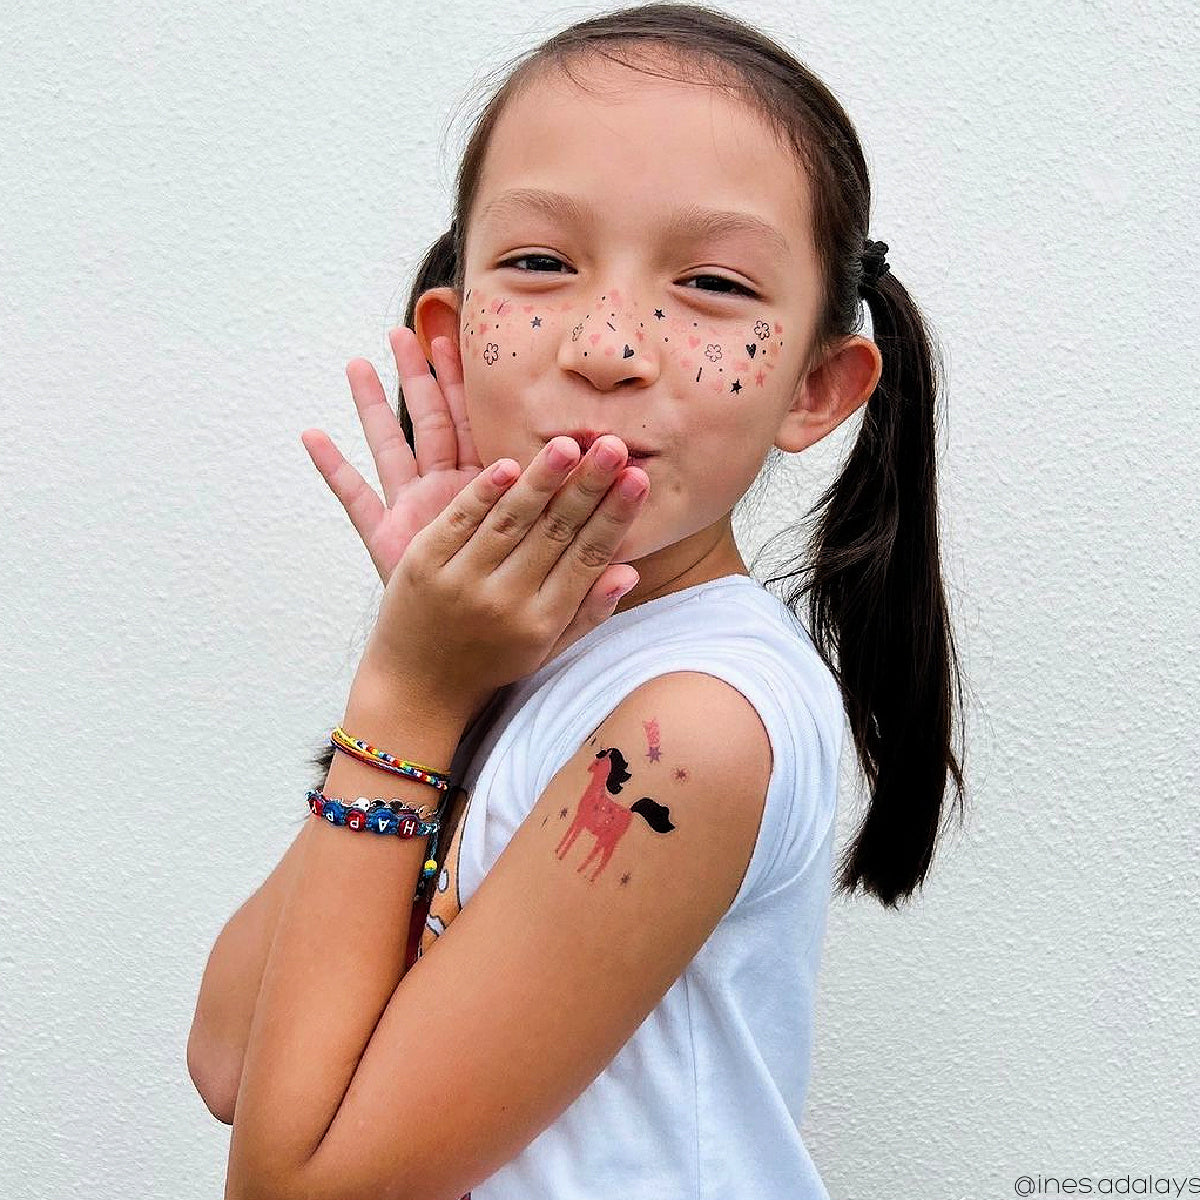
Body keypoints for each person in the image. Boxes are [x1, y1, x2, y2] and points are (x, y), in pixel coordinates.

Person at [188, 5, 968, 1197]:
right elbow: (230, 1060)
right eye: (542, 263)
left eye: (710, 283)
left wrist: (410, 690)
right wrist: (443, 662)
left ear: (818, 386)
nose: (609, 344)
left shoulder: (692, 733)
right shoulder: (511, 660)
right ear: (451, 336)